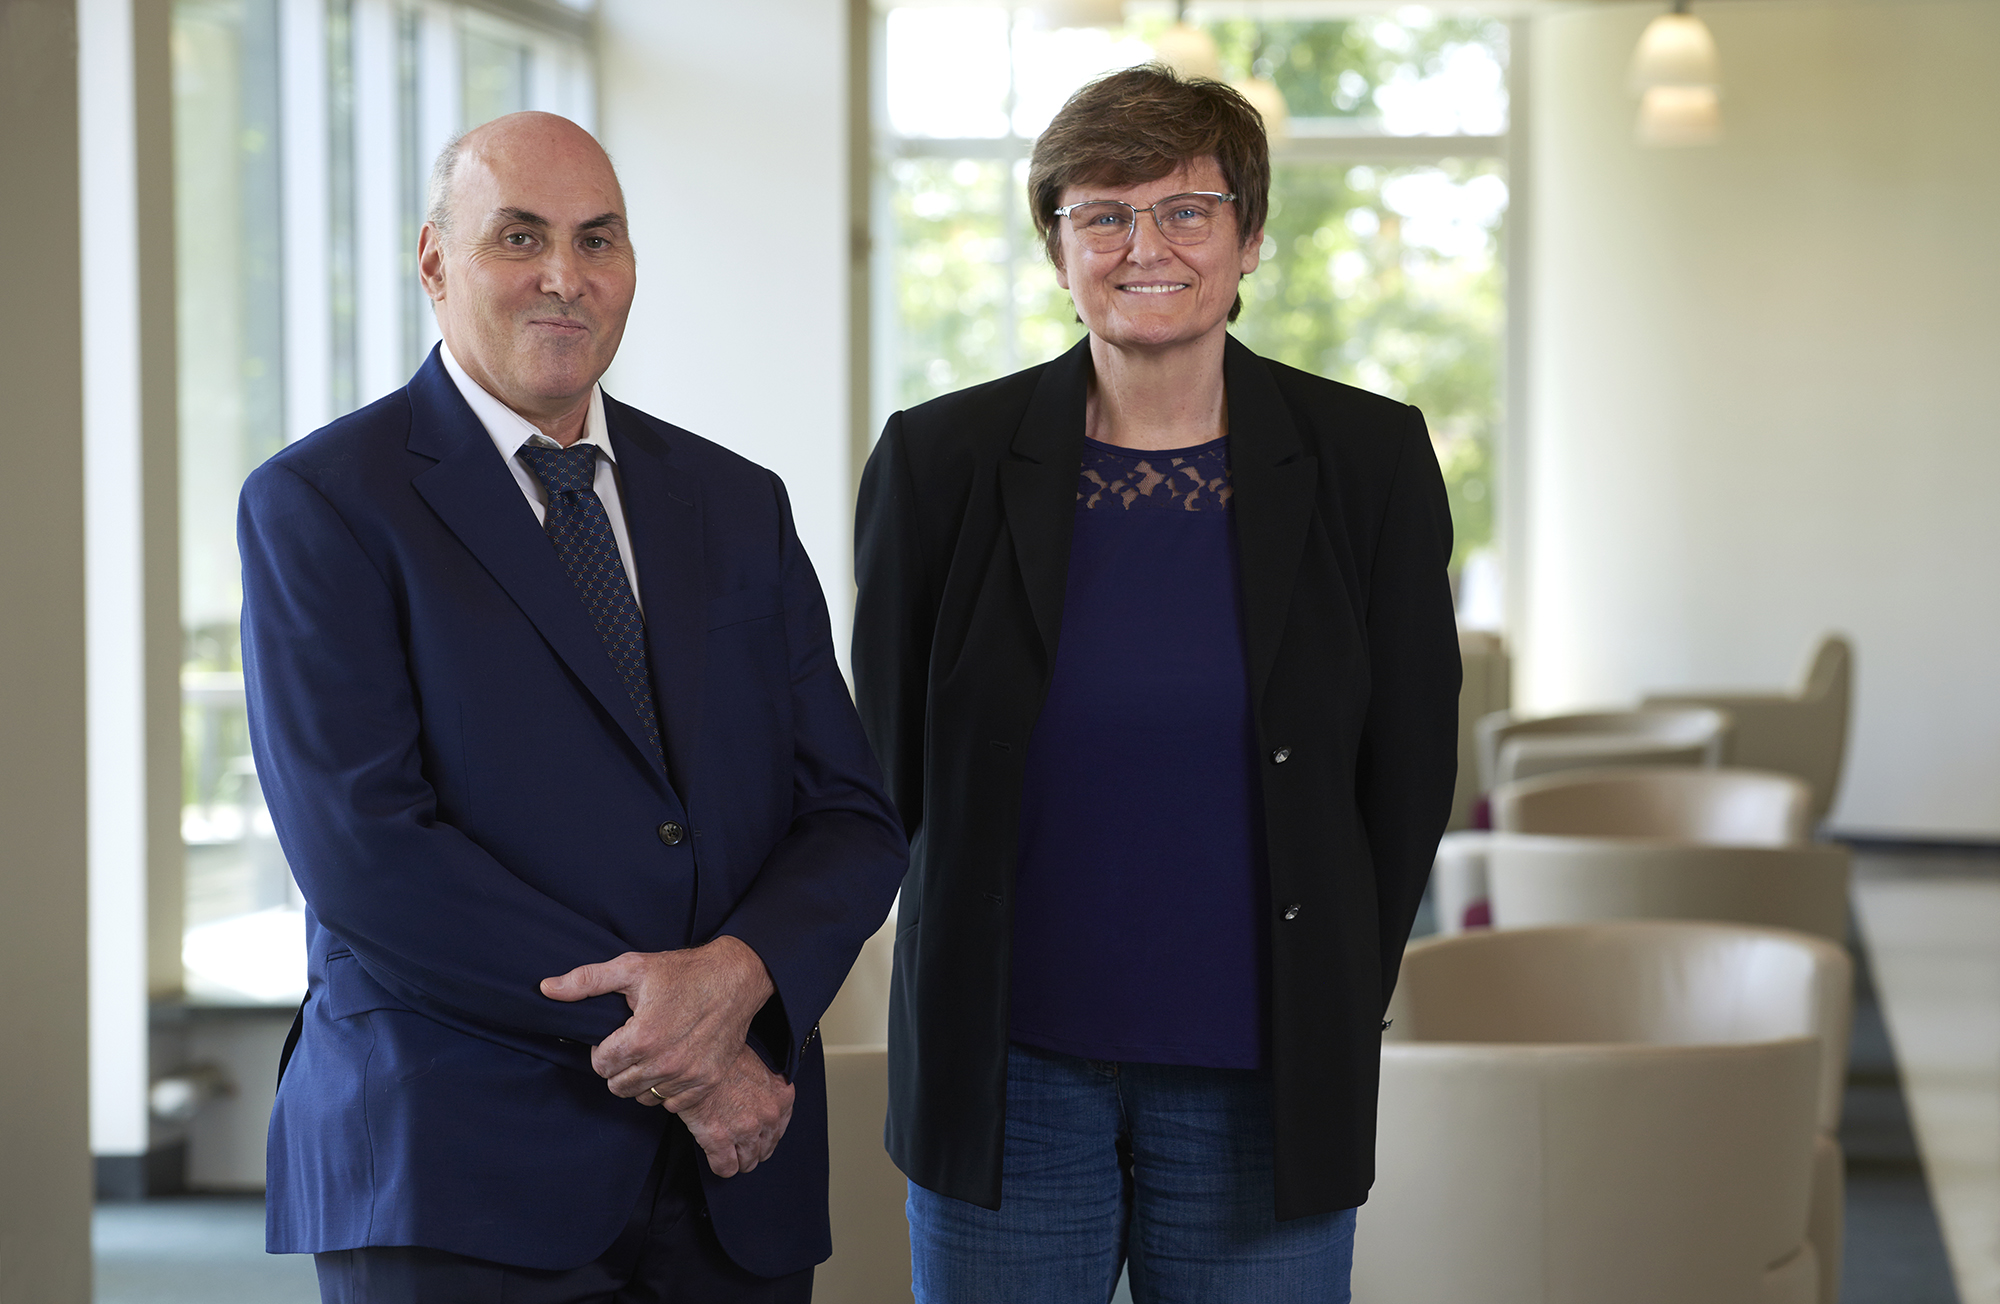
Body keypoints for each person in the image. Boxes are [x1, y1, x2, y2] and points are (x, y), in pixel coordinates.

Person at [240, 111, 906, 1303]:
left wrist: (742, 975)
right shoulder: (325, 503)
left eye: (598, 239)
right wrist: (689, 1054)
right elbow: (367, 852)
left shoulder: (733, 501)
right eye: (519, 236)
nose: (564, 274)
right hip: (459, 1161)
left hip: (729, 1197)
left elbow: (850, 815)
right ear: (436, 260)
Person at [851, 66, 1459, 1302]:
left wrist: (1338, 980)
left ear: (1246, 240)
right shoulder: (938, 463)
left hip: (1263, 1066)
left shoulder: (1367, 458)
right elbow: (885, 768)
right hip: (1006, 1071)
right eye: (1103, 214)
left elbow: (1405, 774)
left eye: (1187, 210)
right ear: (1056, 246)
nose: (1146, 247)